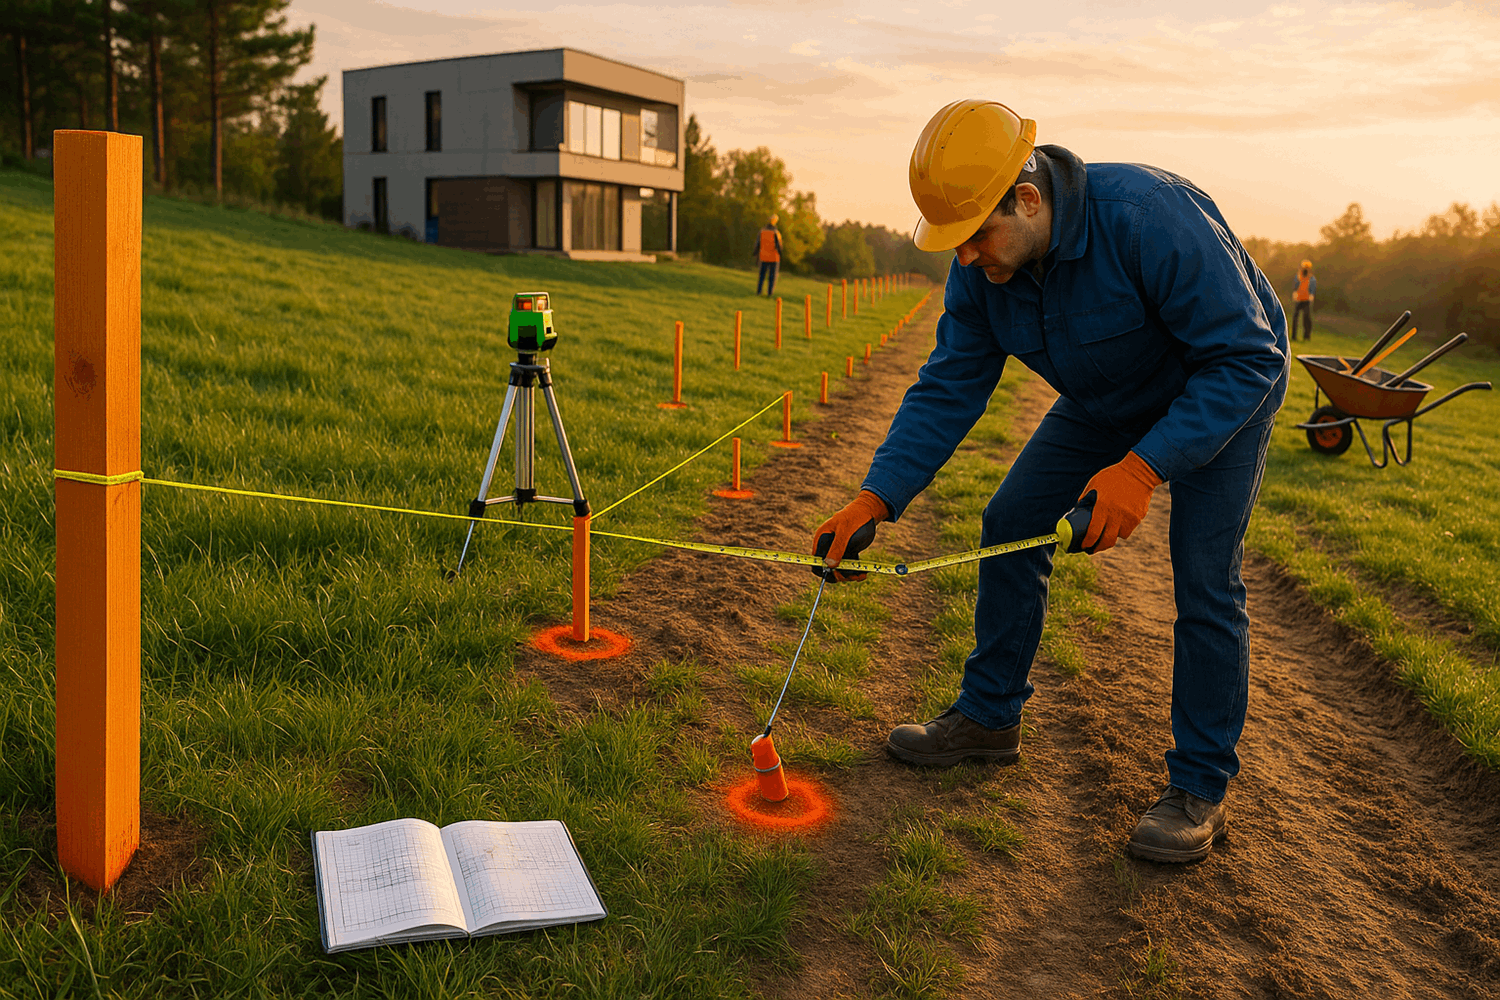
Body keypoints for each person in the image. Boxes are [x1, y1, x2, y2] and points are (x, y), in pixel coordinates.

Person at [812, 100, 1288, 863]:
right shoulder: (981, 271)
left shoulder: (1149, 216)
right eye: (954, 243)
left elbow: (1249, 358)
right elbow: (949, 384)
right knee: (1011, 521)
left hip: (1221, 384)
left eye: (975, 237)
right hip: (1106, 396)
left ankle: (1200, 787)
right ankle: (990, 716)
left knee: (1205, 578)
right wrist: (876, 495)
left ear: (1027, 200)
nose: (964, 258)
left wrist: (1141, 468)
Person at [754, 215, 783, 296]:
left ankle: (759, 292)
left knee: (761, 277)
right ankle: (769, 293)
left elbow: (757, 244)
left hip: (763, 257)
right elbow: (779, 246)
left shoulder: (762, 231)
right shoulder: (776, 233)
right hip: (774, 258)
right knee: (772, 278)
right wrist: (781, 255)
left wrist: (755, 253)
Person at [1290, 259, 1316, 341]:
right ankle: (1293, 336)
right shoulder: (1298, 276)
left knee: (1307, 318)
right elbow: (1295, 286)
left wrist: (1311, 295)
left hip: (1306, 300)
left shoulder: (1311, 278)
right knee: (1295, 318)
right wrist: (1294, 293)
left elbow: (1312, 287)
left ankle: (1307, 336)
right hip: (1299, 300)